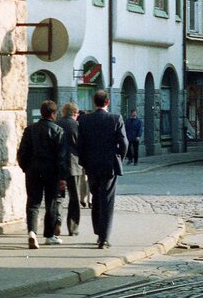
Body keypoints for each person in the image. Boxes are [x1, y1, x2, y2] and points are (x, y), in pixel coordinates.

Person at [78, 90, 127, 249]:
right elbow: (124, 143)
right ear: (108, 102)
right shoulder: (115, 118)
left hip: (91, 165)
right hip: (109, 165)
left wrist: (84, 163)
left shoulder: (85, 119)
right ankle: (103, 237)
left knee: (96, 197)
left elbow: (80, 145)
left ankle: (98, 231)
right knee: (107, 200)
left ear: (94, 102)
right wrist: (119, 157)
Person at [17, 100, 69, 249]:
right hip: (51, 171)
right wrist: (62, 177)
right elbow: (62, 156)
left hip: (33, 170)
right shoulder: (58, 131)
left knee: (33, 202)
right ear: (53, 114)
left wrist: (25, 167)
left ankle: (32, 232)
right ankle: (49, 235)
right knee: (51, 203)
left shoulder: (30, 130)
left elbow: (22, 153)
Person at [56, 103, 82, 237]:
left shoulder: (56, 124)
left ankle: (57, 222)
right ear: (75, 113)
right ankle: (73, 228)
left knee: (59, 196)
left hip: (58, 165)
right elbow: (81, 145)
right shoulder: (77, 126)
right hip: (74, 164)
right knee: (74, 197)